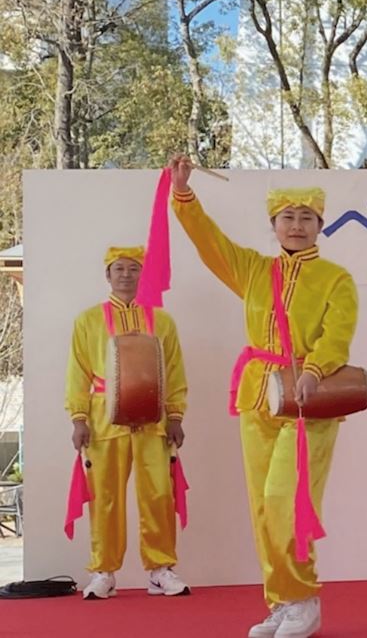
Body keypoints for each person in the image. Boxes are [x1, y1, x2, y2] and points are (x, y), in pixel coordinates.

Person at [168, 155, 358, 638]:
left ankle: (304, 598)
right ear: (273, 224)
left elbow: (338, 337)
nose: (296, 225)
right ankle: (282, 602)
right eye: (287, 217)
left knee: (284, 501)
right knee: (261, 507)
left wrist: (314, 369)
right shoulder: (253, 269)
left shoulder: (336, 278)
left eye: (306, 217)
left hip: (308, 400)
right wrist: (183, 194)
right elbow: (210, 244)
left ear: (320, 224)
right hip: (257, 396)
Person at [66, 246, 190, 600]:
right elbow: (77, 373)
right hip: (105, 420)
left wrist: (176, 415)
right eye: (118, 268)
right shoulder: (88, 321)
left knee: (158, 494)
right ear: (108, 275)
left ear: (142, 275)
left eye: (133, 269)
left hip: (153, 420)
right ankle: (103, 571)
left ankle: (160, 569)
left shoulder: (162, 321)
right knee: (105, 496)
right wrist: (78, 418)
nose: (125, 275)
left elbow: (174, 371)